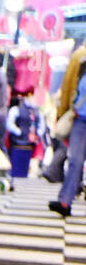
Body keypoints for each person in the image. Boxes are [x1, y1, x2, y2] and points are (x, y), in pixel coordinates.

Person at [49, 43, 86, 217]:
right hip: (80, 119)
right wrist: (64, 113)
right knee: (75, 161)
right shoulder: (82, 62)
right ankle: (65, 201)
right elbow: (71, 89)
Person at [6, 90, 44, 179]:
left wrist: (37, 134)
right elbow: (9, 124)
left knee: (26, 167)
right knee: (17, 168)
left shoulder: (37, 111)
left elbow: (41, 126)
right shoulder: (17, 109)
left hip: (30, 144)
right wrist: (19, 132)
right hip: (17, 142)